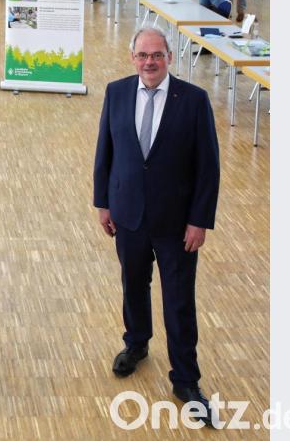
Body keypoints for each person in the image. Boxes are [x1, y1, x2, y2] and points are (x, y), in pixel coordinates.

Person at [93, 27, 220, 426]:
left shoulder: (195, 100)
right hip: (127, 214)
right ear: (132, 57)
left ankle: (185, 379)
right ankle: (136, 344)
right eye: (143, 55)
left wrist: (199, 220)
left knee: (180, 301)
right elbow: (105, 150)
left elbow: (208, 168)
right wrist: (103, 202)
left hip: (176, 224)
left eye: (157, 55)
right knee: (133, 285)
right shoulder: (116, 92)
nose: (150, 62)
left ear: (170, 57)